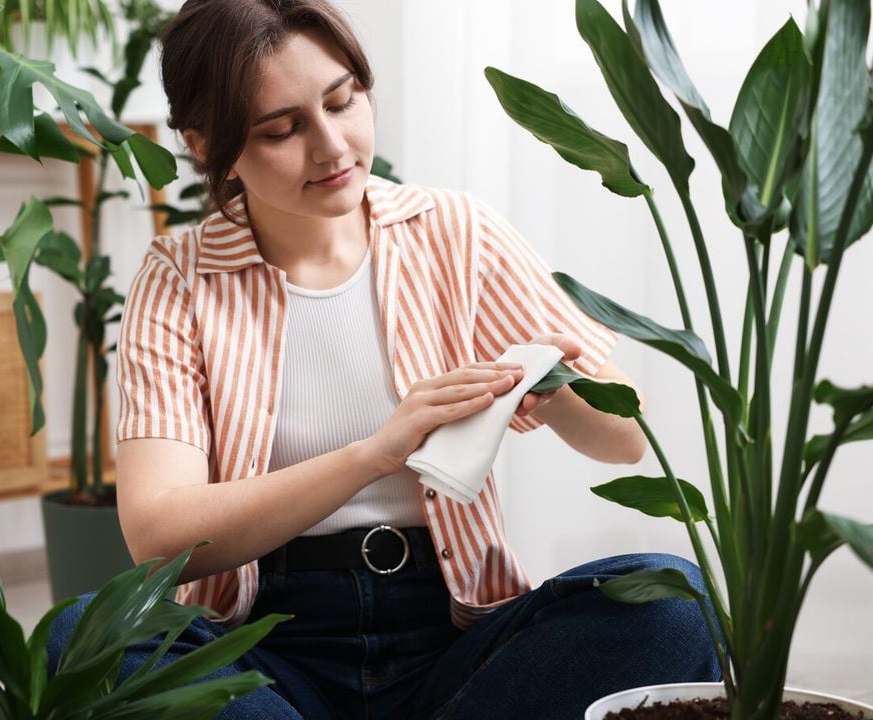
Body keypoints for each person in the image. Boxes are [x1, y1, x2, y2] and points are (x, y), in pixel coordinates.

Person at [47, 1, 722, 717]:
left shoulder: (452, 232)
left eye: (343, 101)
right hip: (266, 649)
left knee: (671, 602)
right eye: (282, 129)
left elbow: (626, 438)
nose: (332, 147)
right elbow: (159, 535)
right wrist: (374, 454)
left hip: (451, 641)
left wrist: (554, 389)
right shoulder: (182, 276)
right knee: (89, 636)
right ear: (208, 145)